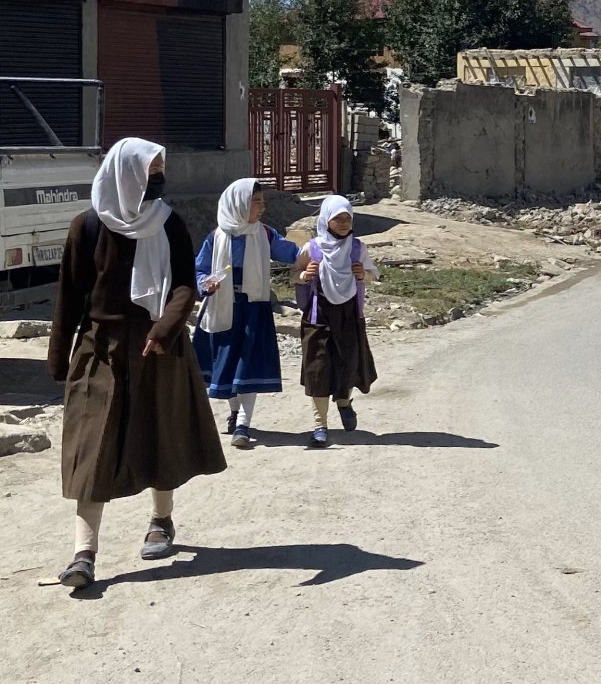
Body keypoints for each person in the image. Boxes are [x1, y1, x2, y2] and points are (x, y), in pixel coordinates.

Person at [47, 138, 226, 590]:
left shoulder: (169, 225)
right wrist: (57, 359)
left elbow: (185, 284)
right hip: (99, 350)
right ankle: (83, 552)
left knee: (158, 434)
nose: (159, 178)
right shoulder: (87, 227)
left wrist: (165, 327)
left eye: (161, 168)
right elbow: (69, 298)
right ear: (126, 173)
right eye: (152, 169)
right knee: (91, 447)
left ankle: (160, 522)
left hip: (157, 348)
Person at [192, 179, 299, 449]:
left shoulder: (263, 234)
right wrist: (206, 284)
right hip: (224, 305)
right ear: (238, 204)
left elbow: (290, 253)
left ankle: (243, 422)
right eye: (257, 202)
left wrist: (319, 254)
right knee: (227, 361)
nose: (262, 208)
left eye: (262, 202)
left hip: (254, 306)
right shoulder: (216, 238)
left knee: (247, 362)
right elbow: (200, 270)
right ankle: (233, 411)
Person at [291, 195, 379, 448]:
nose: (342, 223)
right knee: (317, 370)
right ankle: (320, 426)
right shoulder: (312, 248)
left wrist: (365, 274)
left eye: (347, 218)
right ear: (325, 220)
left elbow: (372, 273)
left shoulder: (357, 248)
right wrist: (304, 275)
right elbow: (294, 275)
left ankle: (343, 401)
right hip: (318, 317)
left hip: (349, 315)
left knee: (347, 363)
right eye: (337, 218)